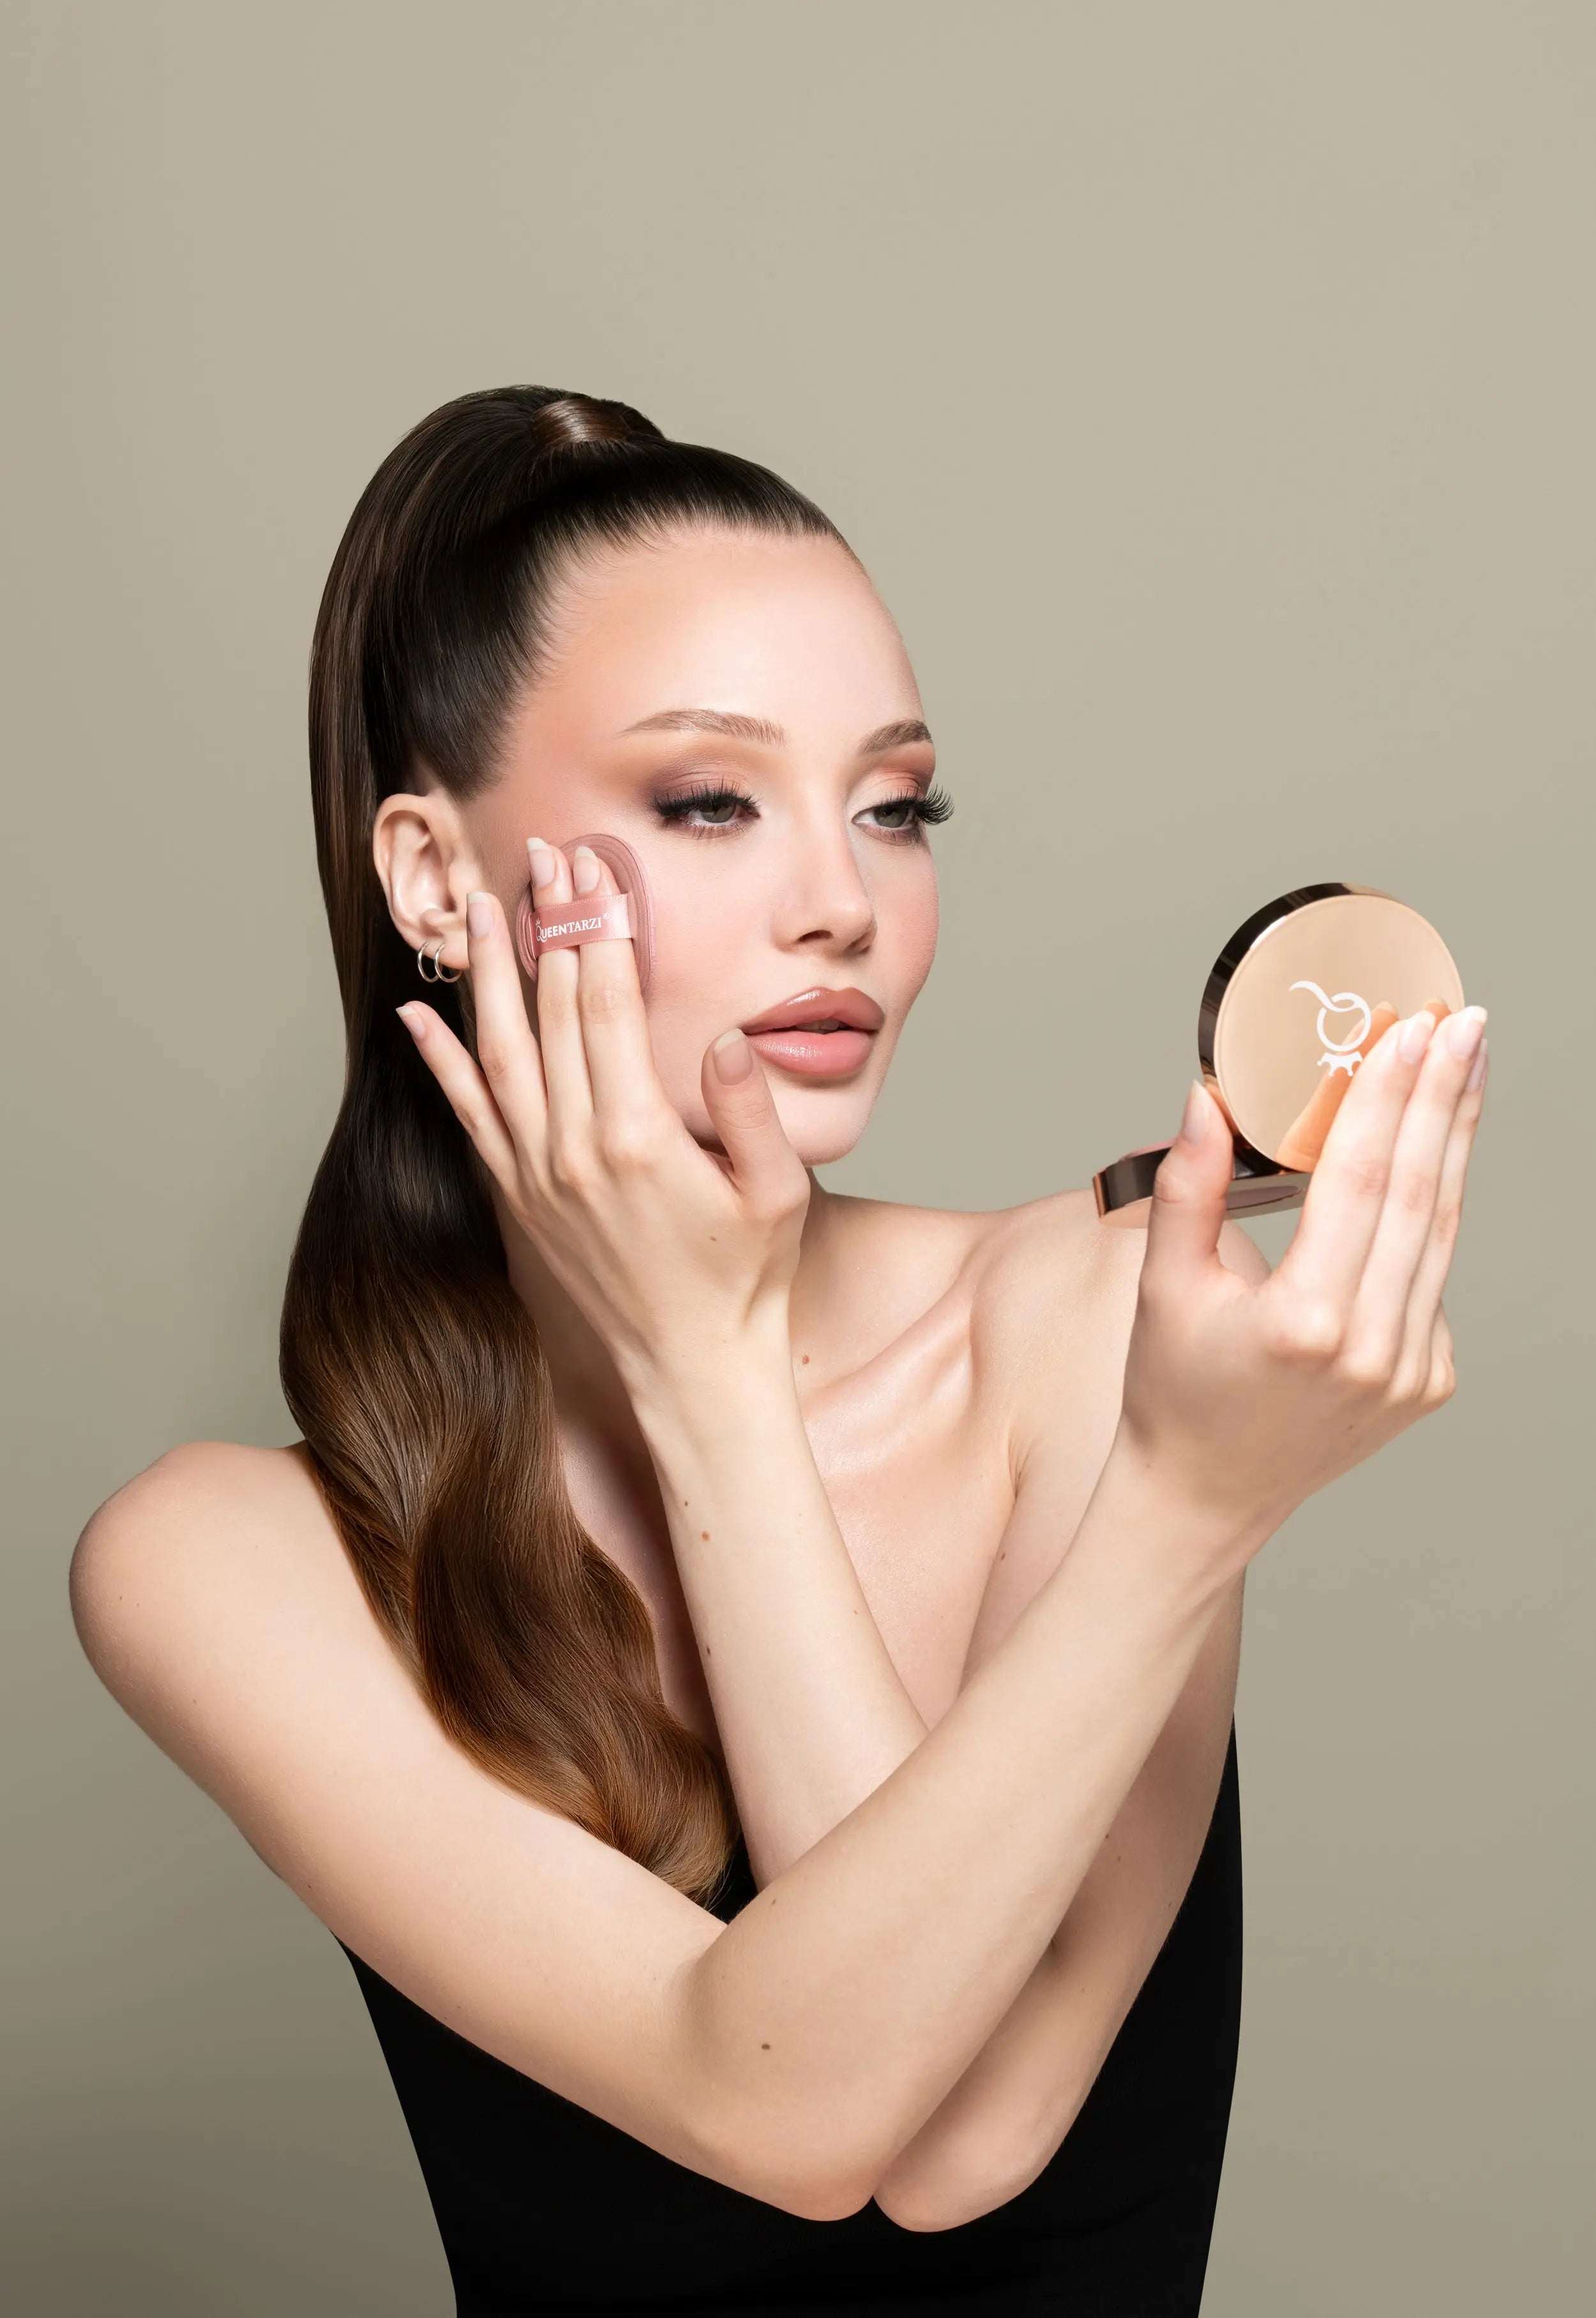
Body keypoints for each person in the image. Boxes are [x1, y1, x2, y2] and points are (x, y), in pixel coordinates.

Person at [69, 386, 1489, 2316]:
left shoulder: (1081, 1321)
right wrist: (1164, 1514)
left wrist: (1165, 1497)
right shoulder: (234, 1563)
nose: (844, 903)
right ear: (432, 882)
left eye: (896, 807)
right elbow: (807, 2111)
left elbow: (963, 2138)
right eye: (708, 802)